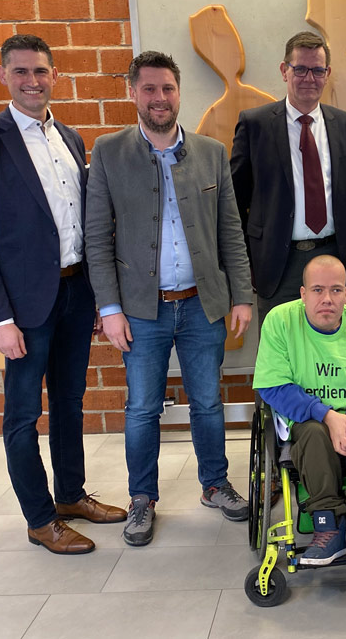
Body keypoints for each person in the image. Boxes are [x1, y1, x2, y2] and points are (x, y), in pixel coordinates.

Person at [0, 35, 126, 555]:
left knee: (71, 402)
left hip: (76, 292)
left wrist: (100, 297)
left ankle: (71, 495)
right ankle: (39, 517)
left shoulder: (71, 138)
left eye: (42, 71)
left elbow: (83, 226)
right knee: (23, 415)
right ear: (4, 74)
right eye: (22, 71)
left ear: (55, 75)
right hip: (23, 306)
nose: (33, 81)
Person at [85, 51, 253, 547]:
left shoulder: (210, 152)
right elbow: (97, 238)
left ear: (179, 93)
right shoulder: (109, 153)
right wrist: (110, 309)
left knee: (207, 401)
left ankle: (215, 484)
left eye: (168, 89)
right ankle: (142, 498)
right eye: (150, 89)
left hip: (202, 303)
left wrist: (240, 295)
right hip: (141, 308)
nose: (160, 98)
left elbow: (230, 231)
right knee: (141, 408)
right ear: (132, 93)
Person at [254, 255, 346, 565]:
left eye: (336, 290)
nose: (327, 299)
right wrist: (328, 416)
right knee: (313, 432)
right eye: (318, 290)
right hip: (307, 421)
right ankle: (327, 525)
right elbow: (273, 387)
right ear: (303, 293)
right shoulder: (280, 321)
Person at [230, 31, 346, 326]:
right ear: (285, 71)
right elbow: (234, 204)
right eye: (301, 69)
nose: (309, 78)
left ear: (327, 73)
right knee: (280, 354)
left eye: (318, 70)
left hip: (333, 256)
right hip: (277, 262)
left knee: (331, 350)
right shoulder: (255, 125)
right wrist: (245, 265)